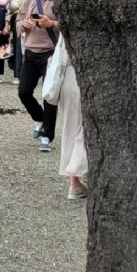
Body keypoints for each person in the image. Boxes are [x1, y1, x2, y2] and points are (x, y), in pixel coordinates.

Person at [17, 0, 60, 150]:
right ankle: (39, 118)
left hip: (50, 52)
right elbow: (18, 20)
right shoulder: (29, 0)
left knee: (49, 94)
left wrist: (51, 23)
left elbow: (66, 23)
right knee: (24, 91)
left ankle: (47, 136)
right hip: (30, 50)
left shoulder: (57, 1)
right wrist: (23, 25)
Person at [58, 43, 88, 200]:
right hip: (83, 76)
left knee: (69, 129)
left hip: (66, 77)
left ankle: (74, 183)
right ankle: (77, 170)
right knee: (83, 129)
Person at [6, 0, 26, 84]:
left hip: (20, 20)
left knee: (19, 47)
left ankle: (19, 74)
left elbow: (14, 7)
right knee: (16, 45)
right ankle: (17, 72)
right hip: (15, 20)